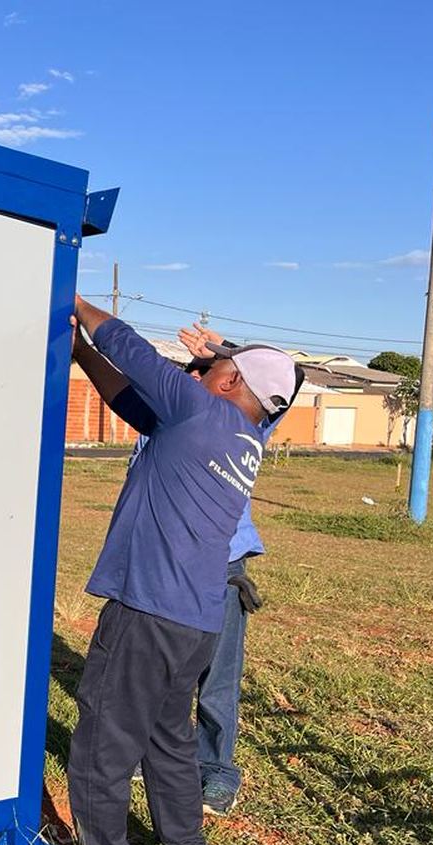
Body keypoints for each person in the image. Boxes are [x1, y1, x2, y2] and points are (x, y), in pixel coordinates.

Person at [67, 294, 301, 845]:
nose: (201, 373)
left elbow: (134, 352)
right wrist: (79, 353)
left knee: (102, 745)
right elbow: (131, 399)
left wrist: (77, 304)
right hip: (196, 618)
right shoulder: (243, 437)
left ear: (226, 380)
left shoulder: (200, 409)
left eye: (213, 369)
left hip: (148, 609)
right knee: (169, 745)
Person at [126, 324, 300, 816]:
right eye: (191, 377)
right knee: (159, 670)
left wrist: (227, 351)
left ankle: (216, 771)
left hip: (222, 569)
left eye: (210, 375)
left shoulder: (246, 426)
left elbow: (285, 389)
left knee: (217, 677)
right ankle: (152, 752)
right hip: (165, 569)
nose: (195, 385)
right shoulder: (162, 427)